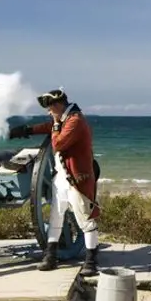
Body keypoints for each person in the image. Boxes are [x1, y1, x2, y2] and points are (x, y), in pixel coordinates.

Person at [9, 89, 101, 276]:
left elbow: (58, 143)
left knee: (86, 220)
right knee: (56, 217)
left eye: (50, 108)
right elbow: (48, 126)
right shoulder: (63, 119)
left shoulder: (75, 121)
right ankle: (50, 256)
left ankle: (91, 261)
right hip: (61, 178)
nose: (49, 111)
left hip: (78, 180)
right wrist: (26, 131)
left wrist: (56, 125)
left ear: (58, 105)